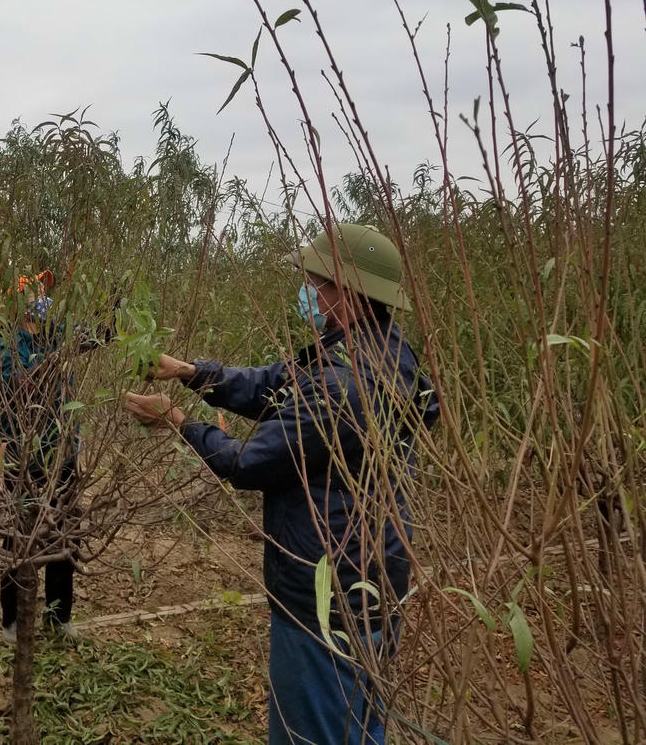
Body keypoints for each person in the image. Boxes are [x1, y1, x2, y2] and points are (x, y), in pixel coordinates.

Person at [124, 224, 438, 745]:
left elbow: (252, 462)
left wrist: (178, 421)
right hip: (369, 571)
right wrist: (189, 371)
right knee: (357, 726)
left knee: (314, 730)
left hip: (328, 592)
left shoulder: (346, 385)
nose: (307, 292)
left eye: (316, 281)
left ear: (351, 296)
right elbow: (274, 384)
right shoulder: (367, 352)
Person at [0, 270, 107, 643]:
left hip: (62, 453)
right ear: (18, 303)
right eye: (33, 294)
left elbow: (89, 337)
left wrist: (113, 316)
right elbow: (21, 380)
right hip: (23, 456)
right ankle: (12, 620)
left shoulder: (57, 334)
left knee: (64, 533)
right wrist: (59, 355)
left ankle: (59, 617)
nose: (42, 298)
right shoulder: (7, 343)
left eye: (43, 292)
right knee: (18, 535)